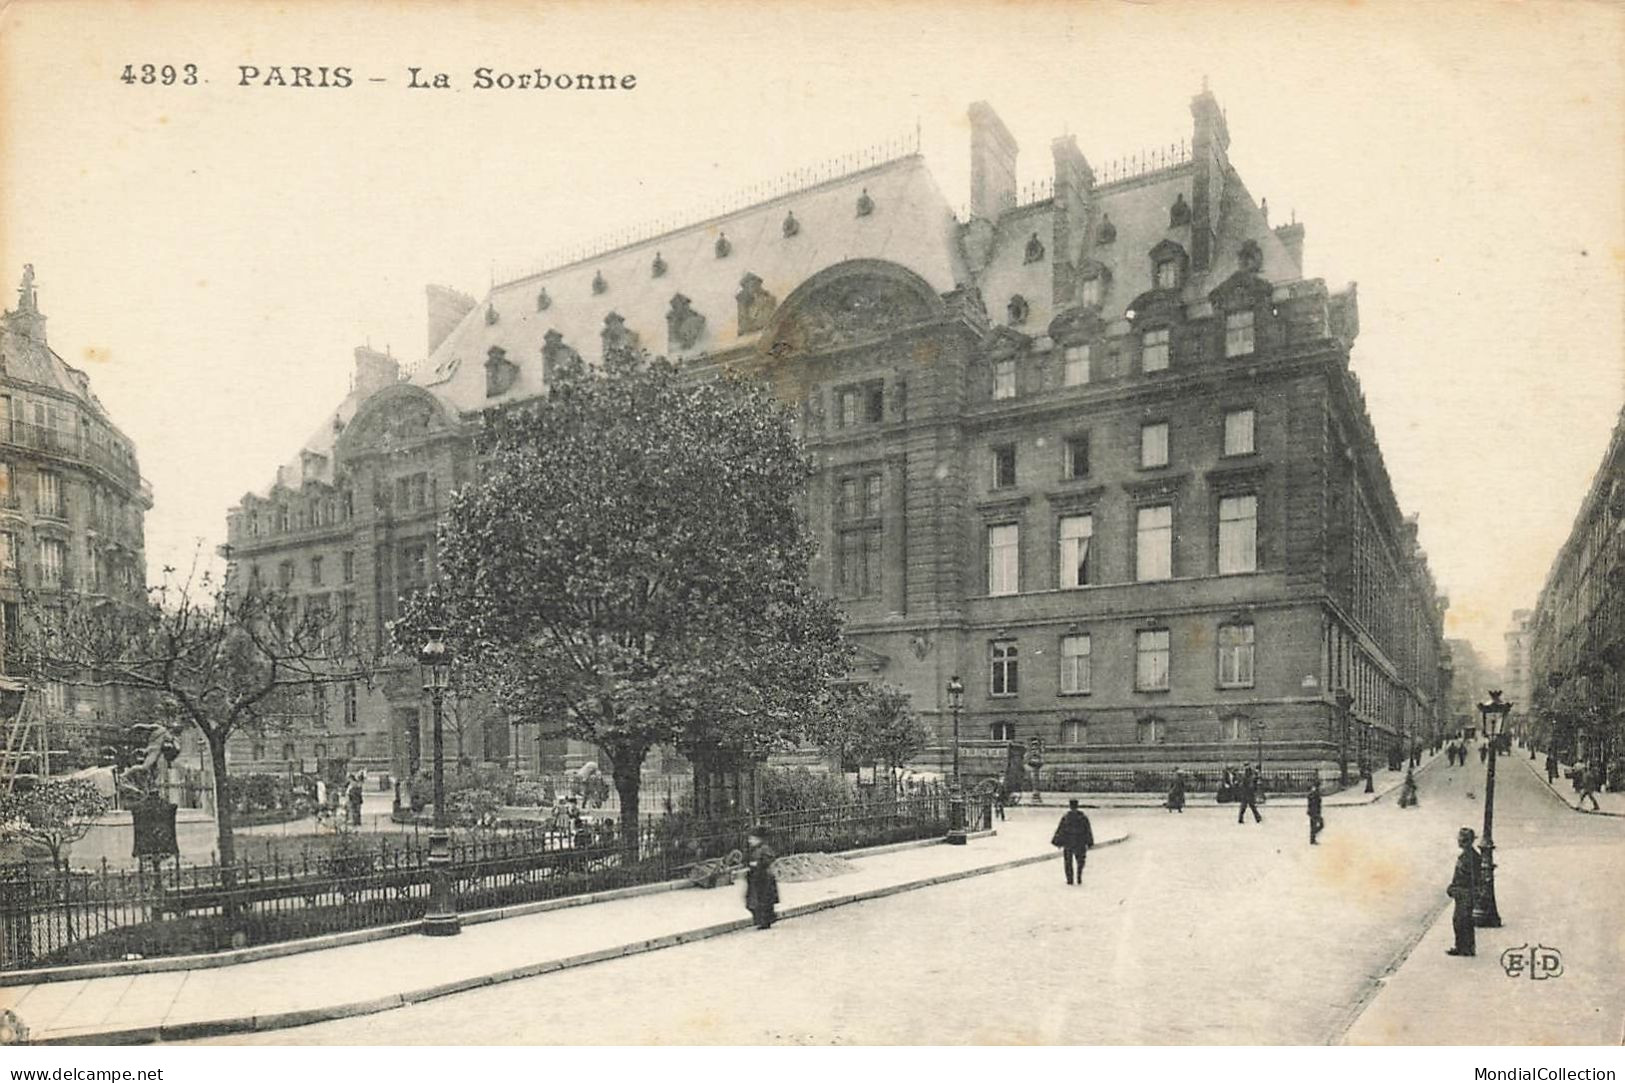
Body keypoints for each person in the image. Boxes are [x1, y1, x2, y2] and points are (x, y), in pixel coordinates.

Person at [1446, 827, 1480, 957]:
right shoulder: (1467, 855)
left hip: (1465, 892)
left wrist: (1456, 888)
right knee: (1458, 920)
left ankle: (1467, 948)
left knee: (1464, 920)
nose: (1458, 841)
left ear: (1466, 841)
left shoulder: (1471, 857)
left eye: (1460, 839)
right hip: (1461, 892)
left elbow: (1471, 878)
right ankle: (1461, 946)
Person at [1051, 799, 1094, 885]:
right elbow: (1087, 830)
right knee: (1080, 861)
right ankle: (1079, 876)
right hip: (1080, 842)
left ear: (1070, 806)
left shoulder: (1066, 817)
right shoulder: (1083, 817)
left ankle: (1070, 879)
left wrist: (1058, 842)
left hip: (1068, 842)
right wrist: (1089, 842)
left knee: (1068, 862)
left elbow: (1060, 830)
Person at [745, 827, 779, 929]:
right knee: (755, 900)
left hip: (764, 878)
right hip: (755, 878)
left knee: (763, 900)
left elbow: (768, 859)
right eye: (749, 839)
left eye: (753, 839)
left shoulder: (764, 848)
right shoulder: (753, 849)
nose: (750, 841)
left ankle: (765, 921)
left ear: (759, 839)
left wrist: (757, 864)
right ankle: (761, 920)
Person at [1307, 779, 1324, 844]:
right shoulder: (1315, 792)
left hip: (1313, 811)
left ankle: (1312, 839)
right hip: (1314, 811)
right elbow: (1312, 801)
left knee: (1313, 825)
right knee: (1321, 824)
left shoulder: (1314, 791)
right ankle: (1313, 837)